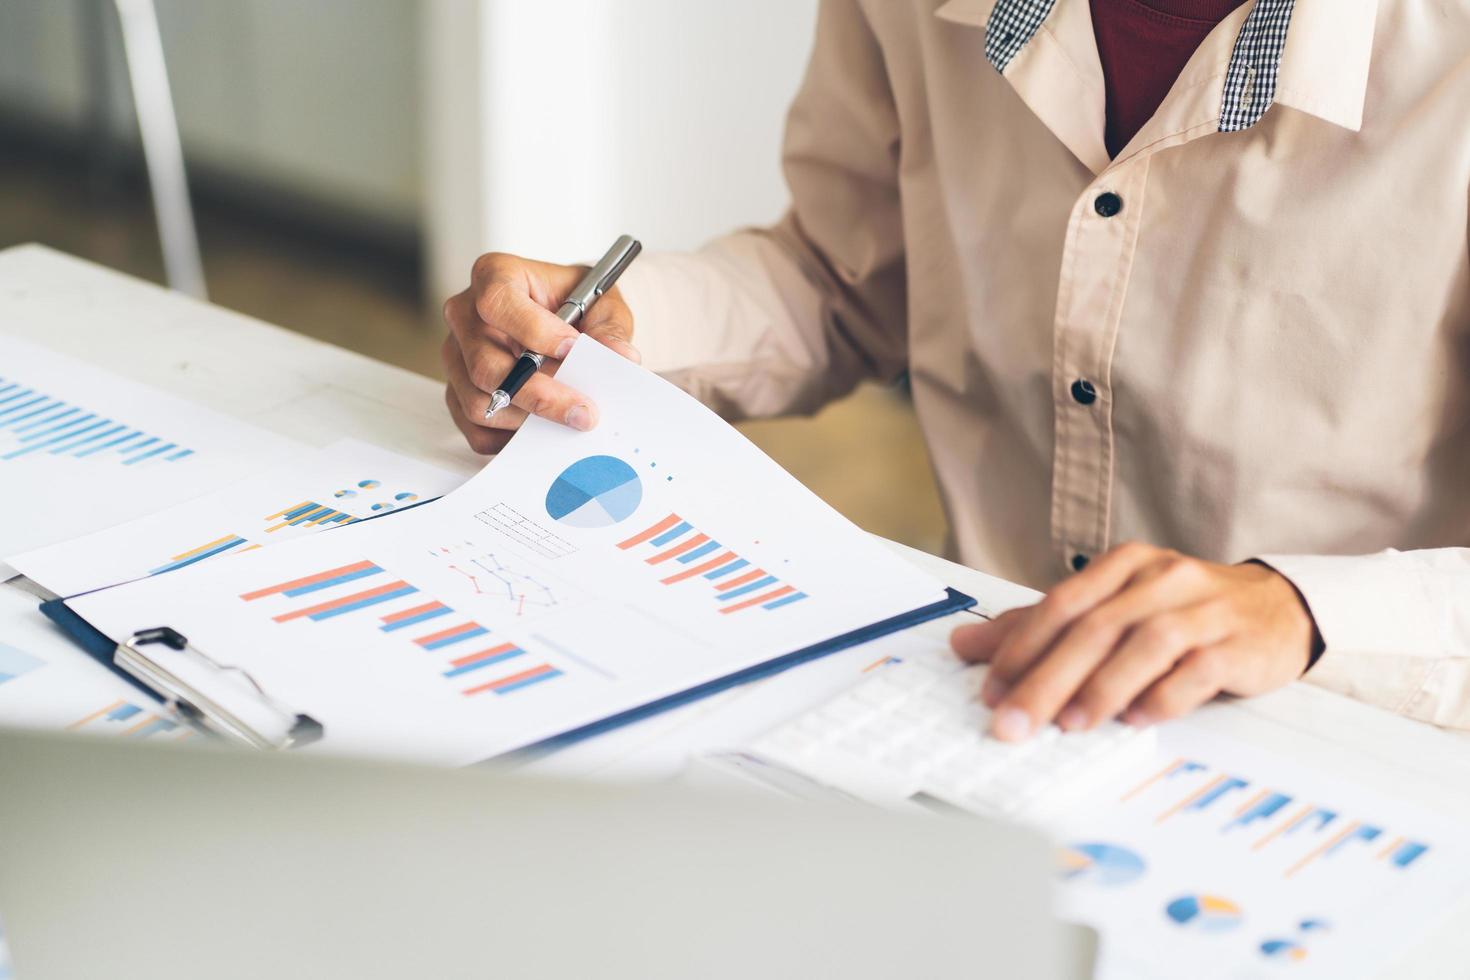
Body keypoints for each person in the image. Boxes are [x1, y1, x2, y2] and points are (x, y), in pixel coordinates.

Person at [440, 0, 1470, 741]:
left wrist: (1300, 610)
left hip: (1348, 733)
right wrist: (614, 330)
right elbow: (840, 274)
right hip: (970, 691)